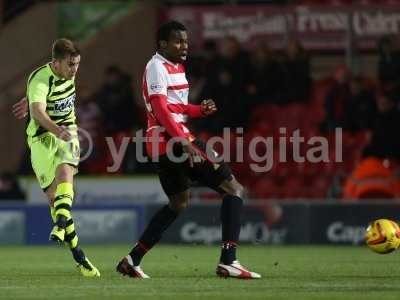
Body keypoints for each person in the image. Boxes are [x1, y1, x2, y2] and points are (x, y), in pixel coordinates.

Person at [116, 21, 261, 279]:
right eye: (177, 41)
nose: (184, 46)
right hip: (174, 141)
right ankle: (229, 260)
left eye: (185, 41)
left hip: (163, 144)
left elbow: (176, 108)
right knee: (233, 189)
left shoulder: (177, 68)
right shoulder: (156, 67)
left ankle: (132, 259)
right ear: (162, 44)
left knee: (178, 202)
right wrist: (183, 141)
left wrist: (198, 110)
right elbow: (160, 109)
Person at [12, 38, 100, 277]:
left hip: (67, 129)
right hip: (41, 138)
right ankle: (80, 257)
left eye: (77, 64)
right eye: (71, 64)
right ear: (56, 63)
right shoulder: (40, 78)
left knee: (65, 171)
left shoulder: (68, 73)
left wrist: (61, 129)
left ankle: (60, 225)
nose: (75, 69)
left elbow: (44, 99)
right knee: (54, 199)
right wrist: (34, 105)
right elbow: (39, 113)